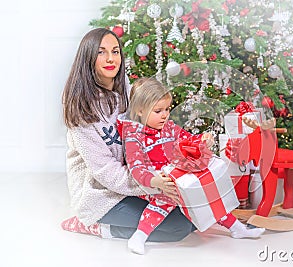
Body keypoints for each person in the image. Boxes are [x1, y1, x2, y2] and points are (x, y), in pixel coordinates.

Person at [60, 28, 195, 242]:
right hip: (101, 193)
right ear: (88, 57)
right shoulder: (81, 107)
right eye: (101, 52)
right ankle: (95, 226)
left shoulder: (126, 91)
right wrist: (151, 183)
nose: (111, 59)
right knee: (179, 226)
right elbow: (105, 170)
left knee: (193, 216)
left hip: (138, 179)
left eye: (115, 51)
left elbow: (152, 130)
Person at [118, 77, 265, 255]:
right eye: (158, 111)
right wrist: (155, 181)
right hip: (154, 183)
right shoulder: (134, 136)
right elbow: (136, 168)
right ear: (140, 111)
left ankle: (236, 228)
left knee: (206, 192)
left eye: (167, 109)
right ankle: (140, 236)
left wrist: (201, 140)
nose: (164, 115)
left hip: (177, 175)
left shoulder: (168, 127)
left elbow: (187, 139)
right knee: (168, 197)